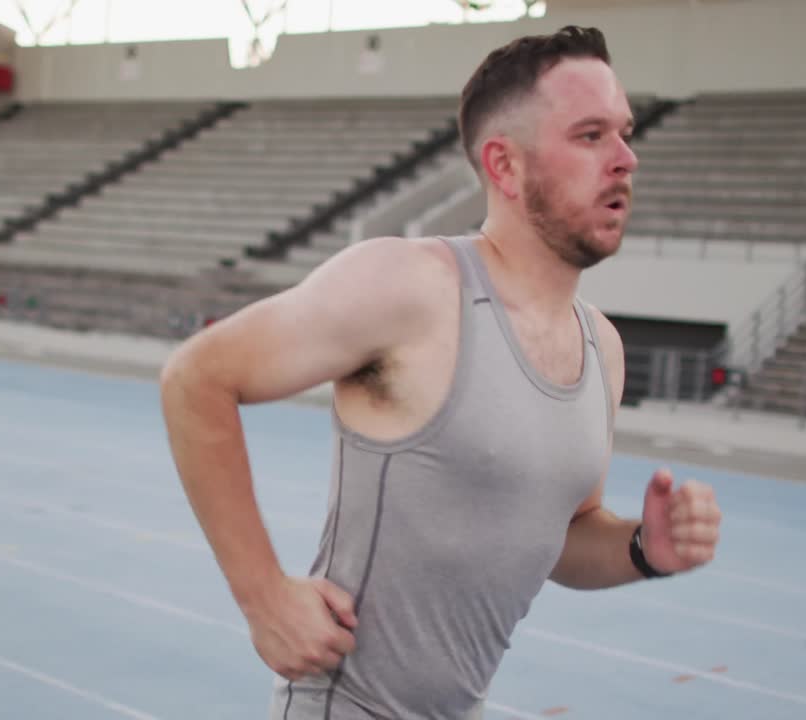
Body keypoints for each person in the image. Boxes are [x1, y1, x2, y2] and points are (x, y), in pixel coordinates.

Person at [159, 25, 722, 720]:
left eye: (625, 134)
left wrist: (642, 548)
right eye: (590, 136)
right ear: (504, 166)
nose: (626, 159)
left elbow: (564, 537)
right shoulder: (411, 286)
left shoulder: (600, 347)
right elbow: (196, 377)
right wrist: (263, 596)